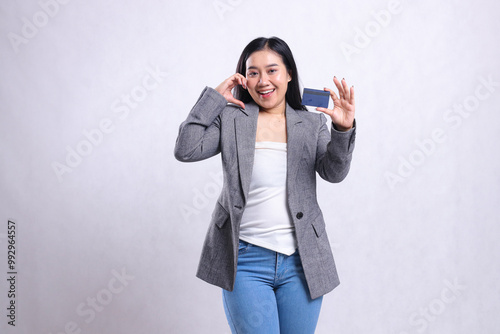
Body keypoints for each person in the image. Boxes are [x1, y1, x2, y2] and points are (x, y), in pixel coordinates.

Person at [174, 36, 356, 334]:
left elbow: (334, 172)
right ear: (243, 78)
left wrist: (342, 128)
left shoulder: (310, 123)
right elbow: (186, 150)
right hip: (245, 261)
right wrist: (214, 99)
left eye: (272, 70)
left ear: (288, 74)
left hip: (302, 263)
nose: (262, 81)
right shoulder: (232, 118)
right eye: (253, 72)